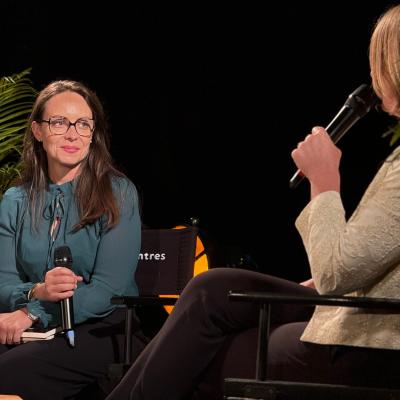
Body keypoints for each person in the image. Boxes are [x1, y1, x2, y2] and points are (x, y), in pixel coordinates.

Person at [105, 4, 400, 400]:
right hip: (360, 313)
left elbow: (336, 274)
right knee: (213, 287)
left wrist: (325, 181)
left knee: (196, 351)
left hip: (371, 345)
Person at [0, 80, 147, 399]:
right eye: (59, 122)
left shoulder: (118, 193)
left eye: (83, 123)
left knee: (7, 374)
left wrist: (33, 311)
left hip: (103, 329)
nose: (72, 133)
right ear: (38, 130)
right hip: (32, 331)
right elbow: (3, 284)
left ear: (93, 133)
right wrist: (37, 292)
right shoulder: (15, 200)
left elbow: (110, 290)